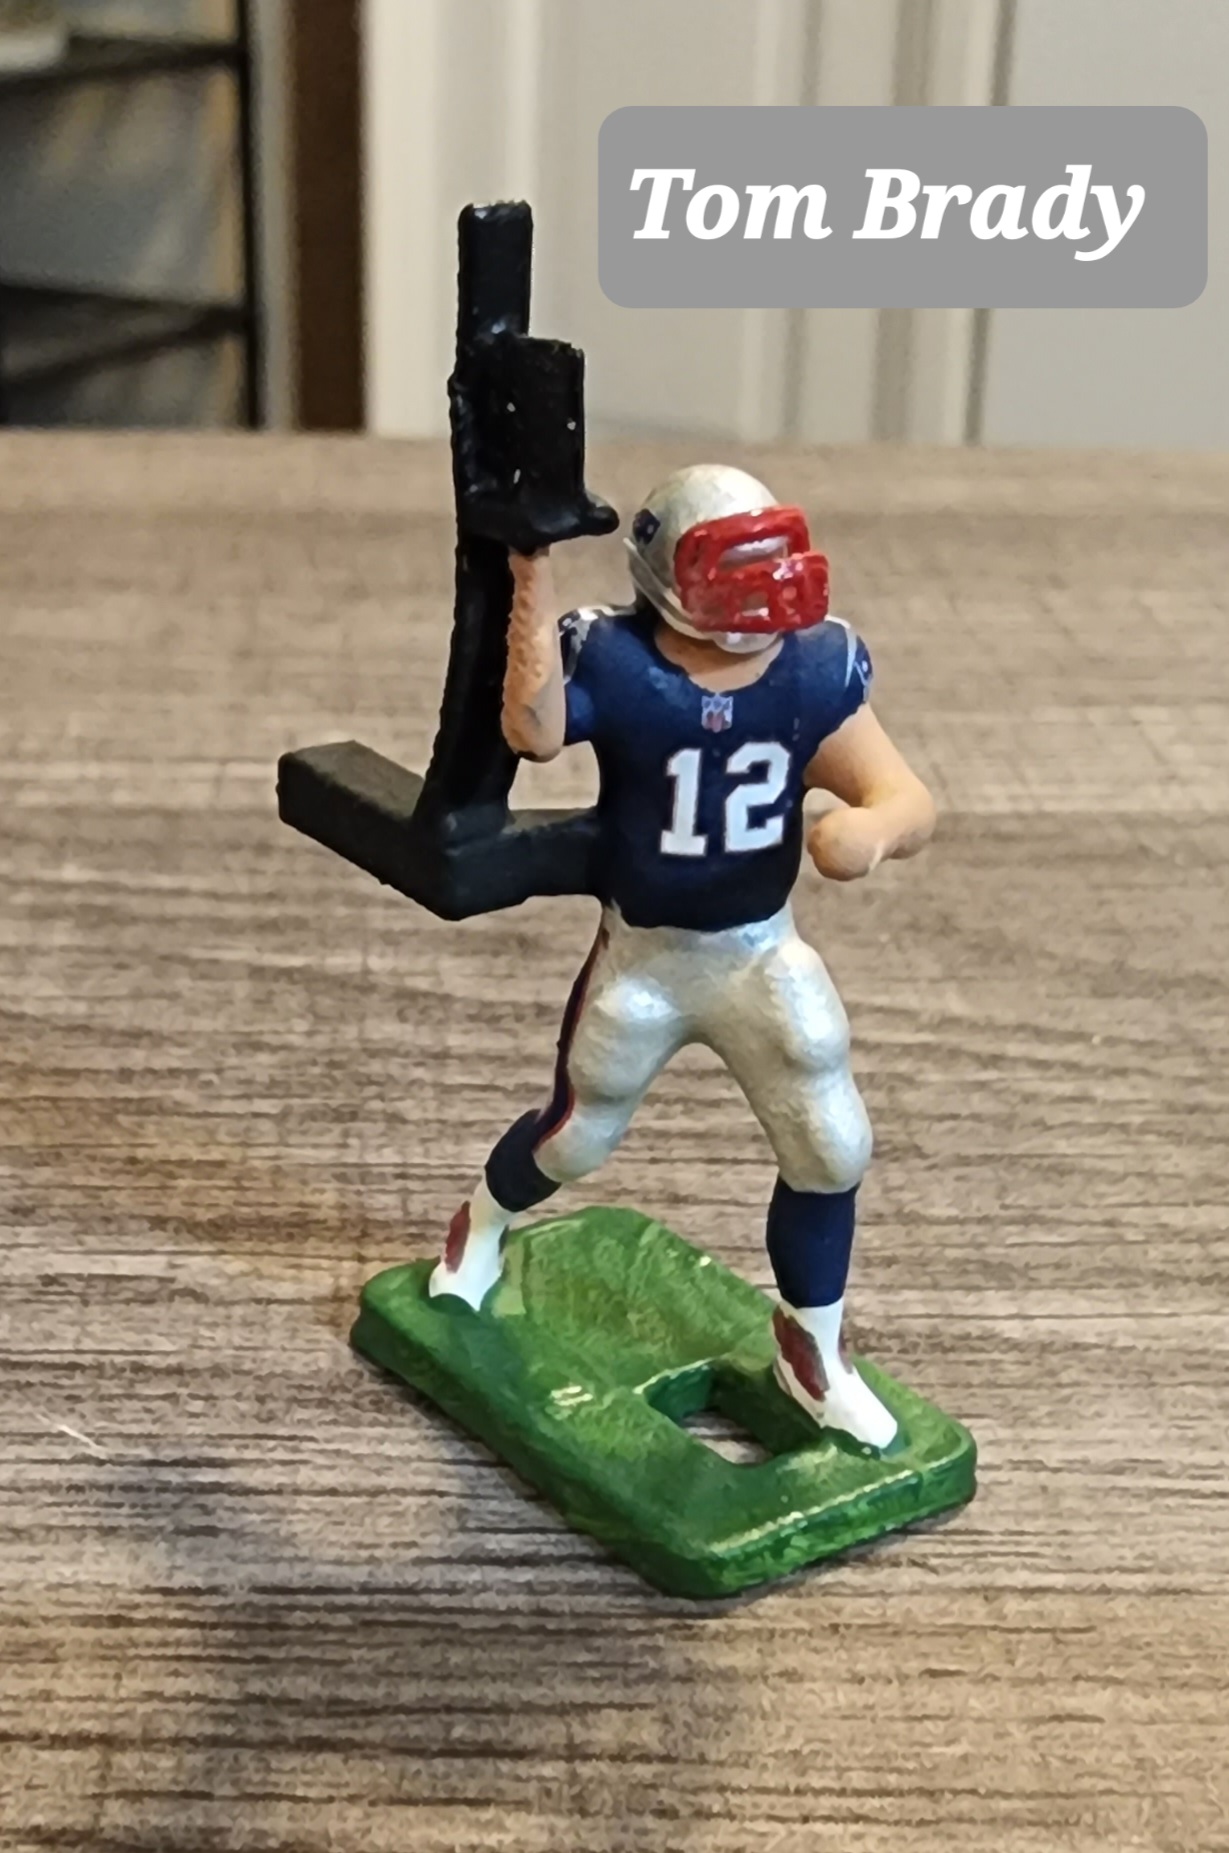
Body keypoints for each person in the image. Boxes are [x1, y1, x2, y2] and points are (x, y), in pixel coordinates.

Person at [429, 464, 936, 1449]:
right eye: (735, 572)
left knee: (831, 1144)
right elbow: (533, 730)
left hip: (758, 949)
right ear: (669, 574)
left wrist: (870, 831)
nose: (760, 596)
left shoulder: (811, 668)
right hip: (648, 953)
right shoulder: (619, 660)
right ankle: (482, 1221)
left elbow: (904, 793)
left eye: (769, 566)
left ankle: (810, 1351)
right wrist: (530, 577)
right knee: (576, 1136)